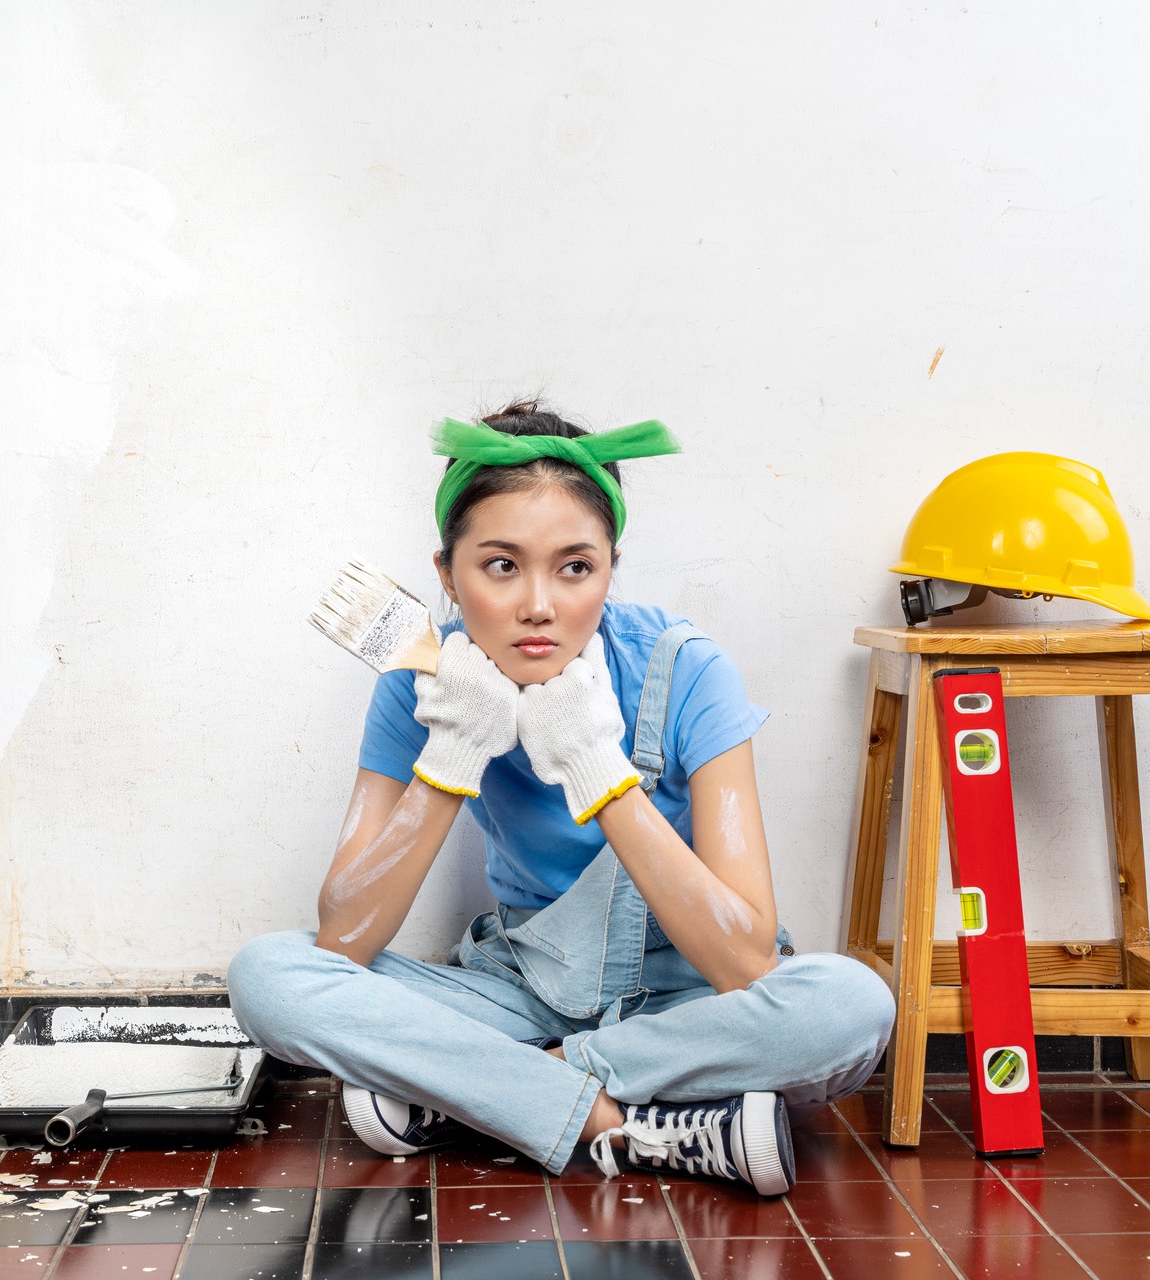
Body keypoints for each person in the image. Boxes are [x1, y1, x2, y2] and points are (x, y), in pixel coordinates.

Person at [227, 401, 895, 1194]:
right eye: (501, 565)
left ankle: (488, 1094)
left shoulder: (687, 670)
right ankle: (629, 1126)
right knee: (268, 975)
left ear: (610, 569)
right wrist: (456, 749)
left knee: (849, 1006)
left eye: (575, 567)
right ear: (448, 574)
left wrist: (594, 766)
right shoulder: (421, 681)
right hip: (520, 990)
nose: (538, 604)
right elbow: (343, 938)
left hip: (684, 1009)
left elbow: (746, 966)